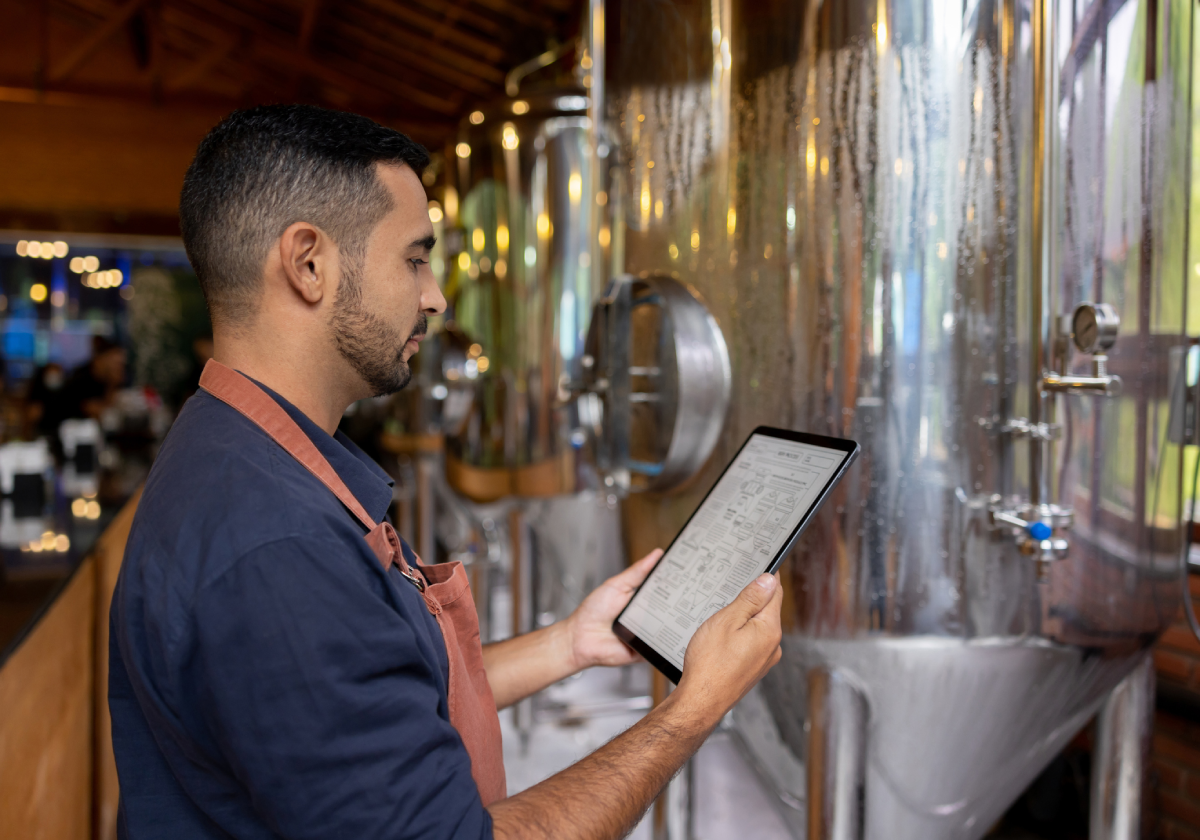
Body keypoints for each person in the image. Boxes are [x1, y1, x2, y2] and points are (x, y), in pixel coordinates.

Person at [108, 105, 783, 840]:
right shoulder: (276, 546)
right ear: (309, 264)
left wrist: (571, 644)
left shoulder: (238, 451)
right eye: (415, 258)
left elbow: (369, 696)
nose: (435, 296)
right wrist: (693, 711)